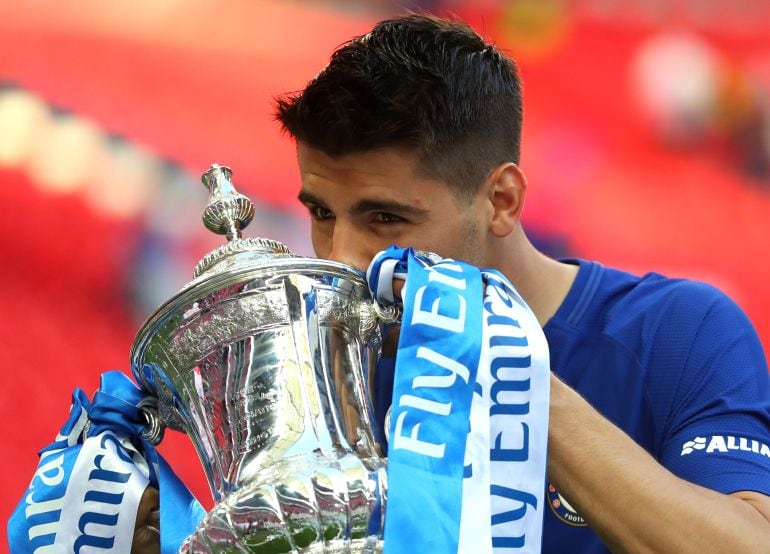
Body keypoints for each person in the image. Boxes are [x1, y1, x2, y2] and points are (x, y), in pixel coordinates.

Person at [271, 13, 770, 553]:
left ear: (501, 200)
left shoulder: (678, 330)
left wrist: (513, 373)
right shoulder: (320, 367)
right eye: (322, 213)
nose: (343, 257)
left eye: (386, 219)